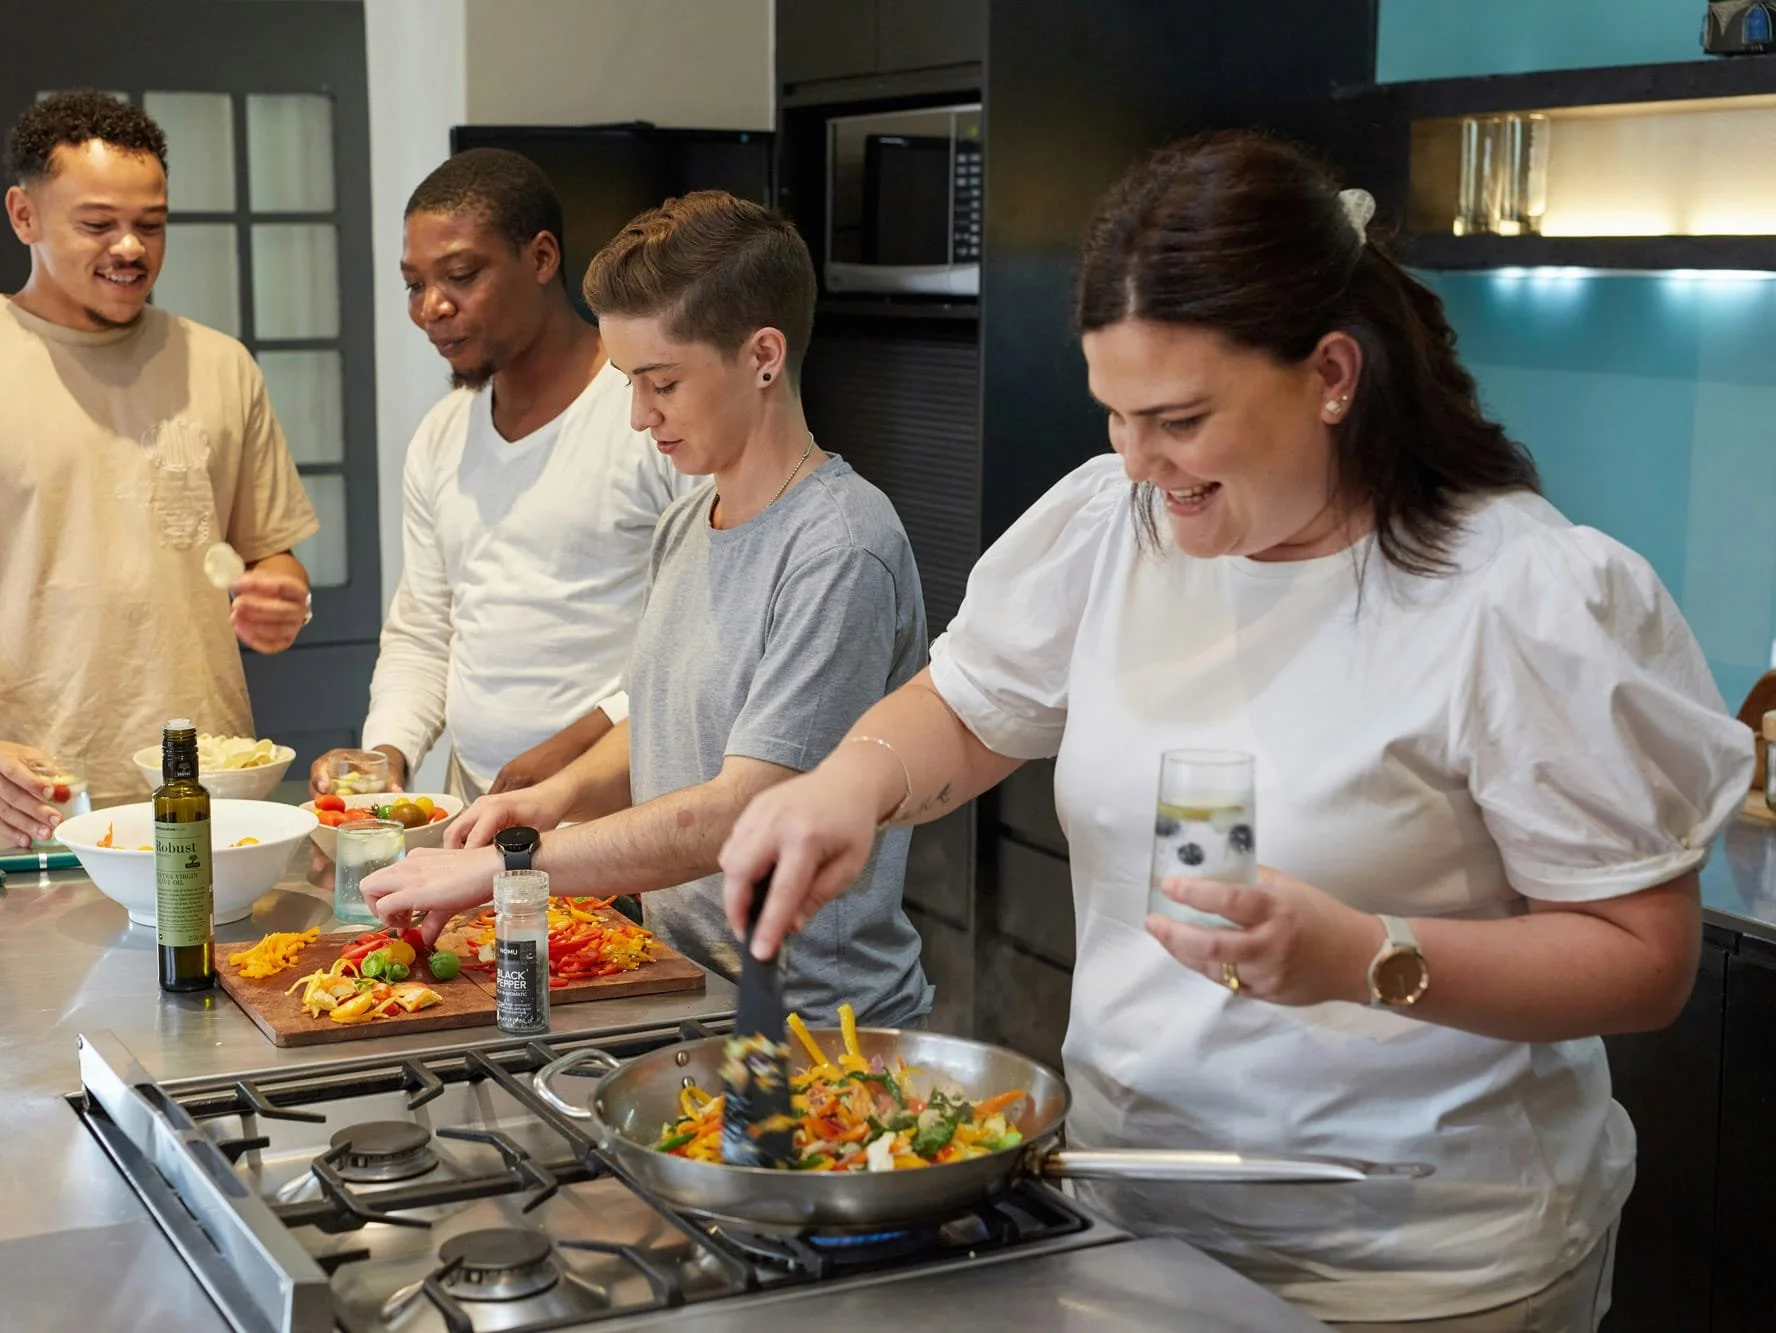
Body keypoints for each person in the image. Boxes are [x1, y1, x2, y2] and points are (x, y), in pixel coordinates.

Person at [716, 132, 1755, 1328]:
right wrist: (850, 781)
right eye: (1114, 414)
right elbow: (965, 707)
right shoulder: (1116, 526)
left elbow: (1641, 954)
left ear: (1328, 373)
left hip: (1418, 1268)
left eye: (1179, 418)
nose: (1137, 461)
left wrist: (1366, 955)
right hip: (1132, 1220)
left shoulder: (1517, 596)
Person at [364, 191, 933, 1027]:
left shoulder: (839, 547)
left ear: (763, 355)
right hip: (690, 985)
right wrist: (557, 794)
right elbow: (667, 720)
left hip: (821, 1026)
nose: (639, 415)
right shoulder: (687, 522)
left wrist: (516, 865)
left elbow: (745, 805)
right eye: (630, 383)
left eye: (662, 382)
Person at [0, 91, 316, 844]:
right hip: (23, 801)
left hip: (202, 795)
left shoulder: (220, 366)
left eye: (151, 224)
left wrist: (284, 595)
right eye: (97, 224)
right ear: (24, 216)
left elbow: (270, 549)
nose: (130, 248)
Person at [310, 149, 693, 803]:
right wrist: (386, 754)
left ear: (541, 259)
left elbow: (701, 642)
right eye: (413, 284)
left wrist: (582, 741)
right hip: (478, 809)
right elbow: (425, 629)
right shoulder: (441, 436)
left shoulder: (651, 415)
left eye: (459, 275)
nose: (430, 307)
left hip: (621, 814)